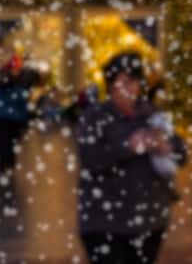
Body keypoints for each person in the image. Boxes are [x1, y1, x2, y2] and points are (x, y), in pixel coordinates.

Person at [76, 54, 186, 264]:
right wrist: (129, 146)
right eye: (124, 81)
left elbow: (181, 153)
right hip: (105, 223)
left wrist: (167, 146)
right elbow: (91, 159)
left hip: (149, 220)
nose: (131, 88)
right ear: (110, 85)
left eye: (135, 81)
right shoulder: (95, 116)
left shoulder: (152, 114)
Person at [0, 62, 34, 178]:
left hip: (4, 120)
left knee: (4, 144)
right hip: (7, 121)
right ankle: (7, 166)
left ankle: (6, 166)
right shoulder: (13, 88)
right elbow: (22, 104)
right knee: (7, 144)